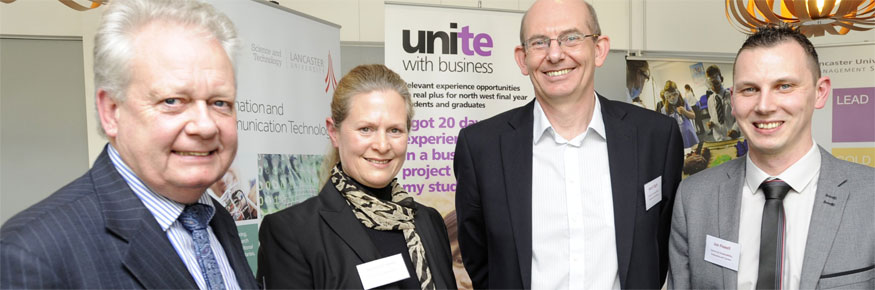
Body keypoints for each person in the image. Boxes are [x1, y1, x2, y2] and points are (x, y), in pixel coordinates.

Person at [0, 0, 258, 288]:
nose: (206, 125)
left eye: (220, 103)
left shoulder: (217, 219)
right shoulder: (31, 253)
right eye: (173, 101)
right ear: (111, 111)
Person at [453, 0, 684, 289]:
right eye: (539, 42)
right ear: (522, 59)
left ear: (599, 49)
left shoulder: (656, 137)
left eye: (571, 38)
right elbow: (480, 261)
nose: (554, 54)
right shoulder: (481, 148)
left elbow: (658, 248)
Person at [668, 24, 875, 289]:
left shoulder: (869, 196)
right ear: (733, 99)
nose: (764, 106)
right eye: (749, 89)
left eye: (784, 86)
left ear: (820, 92)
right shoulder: (694, 199)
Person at [257, 64, 457, 289]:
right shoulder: (292, 232)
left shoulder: (429, 221)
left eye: (395, 130)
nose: (382, 145)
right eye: (366, 129)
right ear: (334, 132)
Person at [657, 81, 699, 149]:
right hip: (678, 140)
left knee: (696, 153)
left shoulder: (683, 101)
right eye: (669, 96)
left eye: (674, 94)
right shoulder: (664, 109)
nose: (672, 98)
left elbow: (693, 116)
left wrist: (685, 111)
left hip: (690, 135)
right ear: (666, 96)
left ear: (677, 93)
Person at [704, 64, 739, 141]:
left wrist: (735, 129)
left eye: (716, 82)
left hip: (732, 137)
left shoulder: (732, 96)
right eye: (710, 83)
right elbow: (713, 116)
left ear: (721, 79)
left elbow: (740, 117)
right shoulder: (710, 100)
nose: (713, 86)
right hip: (718, 139)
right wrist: (711, 123)